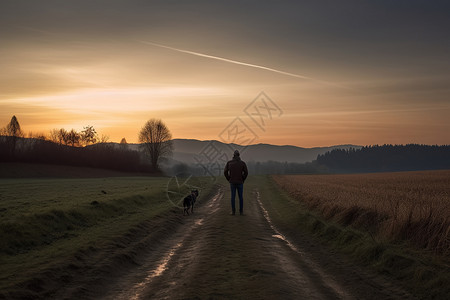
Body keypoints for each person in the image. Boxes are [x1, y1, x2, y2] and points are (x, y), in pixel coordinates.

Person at [224, 150, 248, 215]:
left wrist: (229, 178)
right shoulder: (242, 163)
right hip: (240, 182)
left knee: (233, 197)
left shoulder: (229, 163)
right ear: (239, 155)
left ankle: (233, 212)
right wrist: (243, 179)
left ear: (233, 155)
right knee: (240, 197)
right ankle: (241, 212)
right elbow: (246, 172)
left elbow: (225, 172)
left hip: (232, 182)